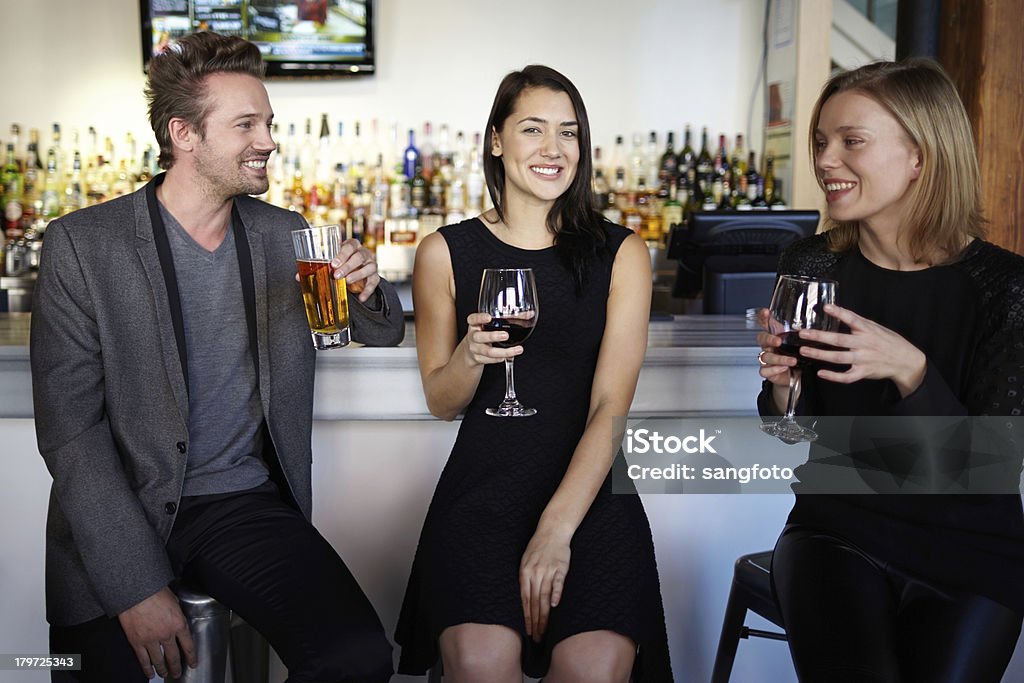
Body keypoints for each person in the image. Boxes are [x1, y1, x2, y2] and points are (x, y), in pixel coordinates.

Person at [31, 32, 402, 683]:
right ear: (185, 134)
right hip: (125, 507)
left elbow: (382, 334)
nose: (268, 140)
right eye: (246, 125)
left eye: (269, 124)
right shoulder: (83, 246)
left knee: (358, 657)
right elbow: (72, 436)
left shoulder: (288, 235)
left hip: (242, 505)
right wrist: (135, 587)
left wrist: (370, 287)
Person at [394, 65, 673, 681]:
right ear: (496, 140)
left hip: (591, 499)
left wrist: (555, 530)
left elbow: (610, 408)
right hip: (482, 497)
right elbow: (443, 400)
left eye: (568, 133)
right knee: (480, 668)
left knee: (593, 673)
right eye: (533, 129)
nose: (553, 150)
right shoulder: (445, 252)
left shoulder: (620, 253)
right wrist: (469, 356)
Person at [756, 58, 1024, 682]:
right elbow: (788, 435)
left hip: (974, 545)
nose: (825, 160)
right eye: (822, 141)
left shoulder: (1005, 287)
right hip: (838, 530)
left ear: (921, 158)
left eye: (852, 142)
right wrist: (782, 393)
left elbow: (989, 469)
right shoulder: (811, 264)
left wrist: (912, 372)